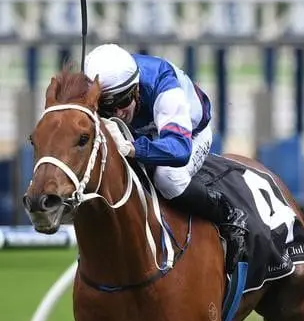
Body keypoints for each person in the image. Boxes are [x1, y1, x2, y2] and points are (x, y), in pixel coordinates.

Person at [83, 43, 247, 274]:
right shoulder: (92, 86)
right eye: (106, 107)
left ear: (136, 89)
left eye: (122, 102)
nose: (118, 114)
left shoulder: (161, 81)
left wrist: (132, 148)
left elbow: (179, 150)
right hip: (141, 135)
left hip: (188, 134)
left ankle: (229, 215)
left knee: (167, 177)